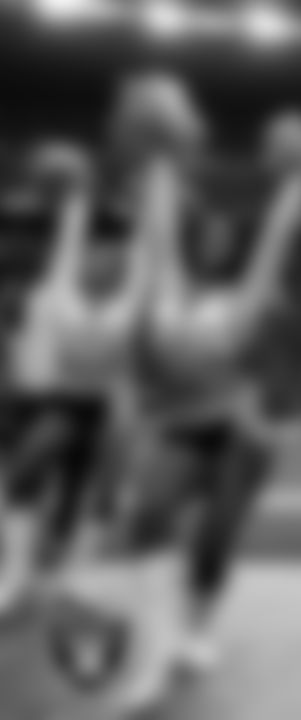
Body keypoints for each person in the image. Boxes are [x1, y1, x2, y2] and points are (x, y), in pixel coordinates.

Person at [106, 88, 301, 712]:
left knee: (214, 541)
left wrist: (299, 177)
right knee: (147, 518)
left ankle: (196, 631)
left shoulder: (243, 301)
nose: (213, 242)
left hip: (238, 435)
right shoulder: (164, 284)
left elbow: (277, 237)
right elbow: (158, 225)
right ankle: (150, 658)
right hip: (176, 427)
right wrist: (161, 154)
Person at [0, 140, 151, 617]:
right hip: (58, 404)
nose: (101, 259)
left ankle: (63, 577)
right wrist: (77, 195)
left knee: (80, 495)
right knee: (25, 475)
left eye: (110, 255)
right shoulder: (60, 290)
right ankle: (17, 574)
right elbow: (69, 241)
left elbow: (145, 255)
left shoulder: (128, 302)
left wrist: (146, 201)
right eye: (95, 253)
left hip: (102, 409)